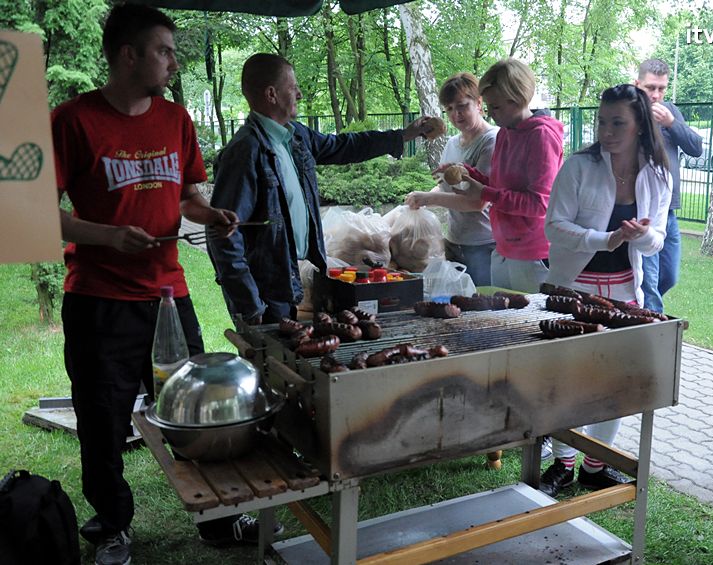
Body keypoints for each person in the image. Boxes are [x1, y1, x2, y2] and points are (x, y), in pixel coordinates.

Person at [48, 6, 296, 565]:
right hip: (99, 299)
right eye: (164, 50)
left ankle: (218, 519)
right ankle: (112, 525)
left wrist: (211, 215)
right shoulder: (72, 120)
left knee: (197, 410)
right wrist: (108, 237)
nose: (172, 61)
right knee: (103, 417)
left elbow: (188, 194)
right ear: (128, 54)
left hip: (168, 292)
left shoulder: (176, 118)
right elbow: (36, 211)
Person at [207, 53, 438, 324]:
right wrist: (250, 304)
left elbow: (345, 146)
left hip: (286, 280)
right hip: (263, 291)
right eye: (293, 88)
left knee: (287, 362)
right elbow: (221, 236)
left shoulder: (294, 136)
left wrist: (403, 136)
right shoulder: (244, 152)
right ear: (271, 94)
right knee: (268, 364)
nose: (300, 94)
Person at [538, 84, 671, 497]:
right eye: (602, 121)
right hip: (573, 288)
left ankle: (595, 463)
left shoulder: (658, 172)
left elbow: (659, 240)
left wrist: (638, 236)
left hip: (624, 292)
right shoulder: (578, 167)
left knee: (616, 383)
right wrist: (606, 239)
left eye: (618, 122)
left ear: (640, 127)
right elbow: (553, 227)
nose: (607, 131)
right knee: (567, 381)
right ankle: (562, 461)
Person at [443, 58, 564, 293]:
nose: (490, 114)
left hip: (533, 254)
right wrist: (470, 173)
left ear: (518, 98)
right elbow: (500, 185)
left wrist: (485, 192)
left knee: (530, 326)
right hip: (504, 248)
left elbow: (540, 203)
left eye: (496, 107)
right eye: (488, 106)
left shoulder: (541, 136)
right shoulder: (505, 133)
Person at [404, 72, 498, 285]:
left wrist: (428, 198)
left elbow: (477, 202)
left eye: (462, 106)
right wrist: (422, 199)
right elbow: (445, 188)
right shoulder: (452, 143)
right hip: (454, 242)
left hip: (484, 245)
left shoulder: (492, 141)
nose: (456, 114)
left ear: (479, 103)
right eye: (449, 109)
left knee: (483, 311)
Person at [634, 58, 703, 313]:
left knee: (669, 276)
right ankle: (653, 327)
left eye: (661, 89)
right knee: (649, 283)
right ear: (637, 84)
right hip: (643, 212)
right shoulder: (629, 113)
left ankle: (637, 307)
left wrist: (671, 124)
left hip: (669, 211)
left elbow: (696, 148)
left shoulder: (670, 111)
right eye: (650, 88)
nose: (656, 95)